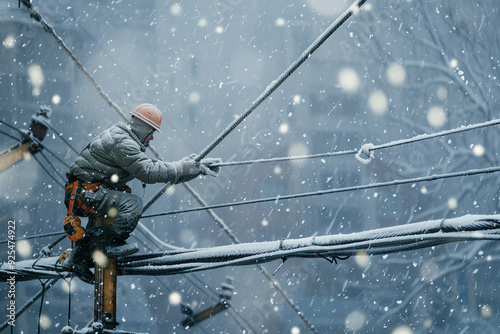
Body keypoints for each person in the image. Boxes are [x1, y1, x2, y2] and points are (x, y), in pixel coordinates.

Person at [61, 103, 221, 283]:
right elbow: (149, 171)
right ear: (142, 128)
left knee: (104, 223)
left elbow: (156, 169)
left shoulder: (123, 139)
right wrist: (183, 167)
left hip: (87, 193)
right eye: (151, 131)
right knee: (132, 204)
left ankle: (78, 259)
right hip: (86, 193)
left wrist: (195, 169)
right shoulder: (122, 142)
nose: (152, 137)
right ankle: (107, 246)